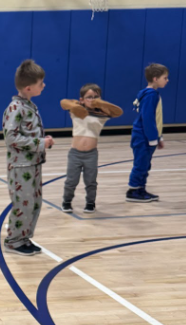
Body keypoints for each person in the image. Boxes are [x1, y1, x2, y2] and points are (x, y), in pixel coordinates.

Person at [2, 59, 54, 256]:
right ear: (29, 87)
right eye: (41, 83)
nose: (44, 86)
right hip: (20, 166)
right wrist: (41, 144)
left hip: (33, 164)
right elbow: (11, 137)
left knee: (34, 203)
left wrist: (43, 140)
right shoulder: (16, 108)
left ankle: (24, 237)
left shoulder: (28, 105)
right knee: (22, 203)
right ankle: (14, 241)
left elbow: (28, 133)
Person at [60, 84, 123, 213]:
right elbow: (63, 102)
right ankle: (67, 201)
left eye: (96, 97)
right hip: (75, 153)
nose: (92, 99)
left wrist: (100, 103)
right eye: (89, 97)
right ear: (82, 99)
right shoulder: (76, 109)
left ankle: (90, 202)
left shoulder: (103, 113)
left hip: (91, 154)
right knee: (71, 180)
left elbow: (118, 112)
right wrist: (77, 105)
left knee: (91, 181)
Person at [127, 63, 169, 203]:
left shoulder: (148, 93)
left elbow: (156, 119)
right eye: (165, 77)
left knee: (145, 164)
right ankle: (133, 191)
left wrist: (159, 136)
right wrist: (152, 138)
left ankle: (140, 189)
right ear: (156, 78)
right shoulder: (151, 95)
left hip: (146, 136)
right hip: (143, 137)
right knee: (141, 164)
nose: (167, 80)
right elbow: (147, 118)